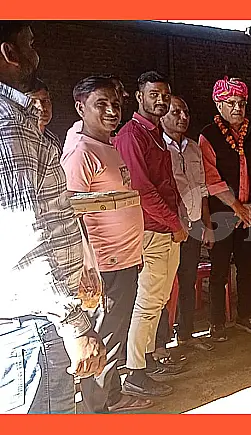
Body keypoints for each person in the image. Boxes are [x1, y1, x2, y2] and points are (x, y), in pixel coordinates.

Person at [0, 21, 106, 413]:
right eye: (30, 43)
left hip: (29, 316)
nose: (37, 53)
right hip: (32, 324)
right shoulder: (9, 125)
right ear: (10, 53)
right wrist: (74, 324)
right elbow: (21, 236)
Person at [61, 75, 152, 413]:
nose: (112, 110)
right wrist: (90, 268)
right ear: (80, 108)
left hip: (124, 258)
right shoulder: (80, 153)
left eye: (115, 103)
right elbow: (72, 216)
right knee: (103, 341)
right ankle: (94, 412)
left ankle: (111, 396)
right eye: (101, 104)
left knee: (114, 336)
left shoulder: (107, 145)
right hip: (105, 266)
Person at [114, 70, 187, 398]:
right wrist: (174, 223)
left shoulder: (155, 132)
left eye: (165, 95)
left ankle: (147, 358)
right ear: (139, 97)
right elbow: (142, 190)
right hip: (151, 230)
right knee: (146, 303)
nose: (160, 100)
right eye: (153, 94)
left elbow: (165, 183)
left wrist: (176, 218)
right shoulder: (132, 135)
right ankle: (135, 372)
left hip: (165, 229)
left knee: (157, 300)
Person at [199, 77, 251, 340]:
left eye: (241, 103)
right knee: (219, 270)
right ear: (219, 105)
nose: (237, 108)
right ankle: (216, 322)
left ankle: (245, 315)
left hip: (248, 215)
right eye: (231, 103)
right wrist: (238, 207)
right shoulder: (208, 135)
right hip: (221, 215)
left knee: (247, 266)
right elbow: (211, 178)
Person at [162, 95, 214, 351]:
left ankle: (185, 334)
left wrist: (207, 225)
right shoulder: (158, 148)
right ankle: (160, 344)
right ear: (162, 115)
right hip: (168, 230)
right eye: (176, 112)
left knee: (188, 281)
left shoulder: (193, 148)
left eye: (185, 112)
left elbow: (203, 190)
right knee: (161, 289)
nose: (183, 117)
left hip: (193, 227)